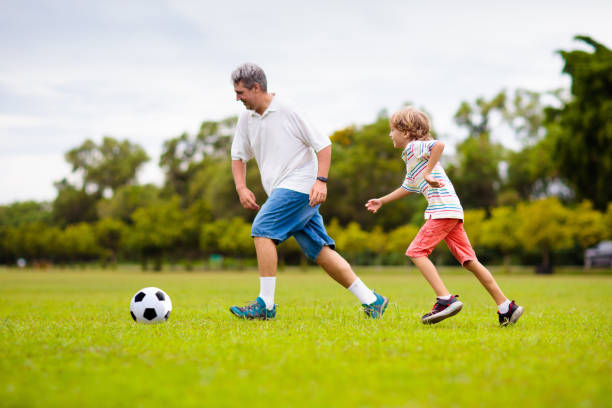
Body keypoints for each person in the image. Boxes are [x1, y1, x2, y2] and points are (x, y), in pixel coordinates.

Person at [228, 63, 388, 320]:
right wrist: (241, 187)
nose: (237, 98)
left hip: (301, 185)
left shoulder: (289, 109)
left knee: (262, 229)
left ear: (256, 87)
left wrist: (320, 181)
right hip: (282, 188)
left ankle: (265, 305)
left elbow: (323, 145)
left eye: (240, 92)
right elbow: (238, 156)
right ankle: (372, 300)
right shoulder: (246, 118)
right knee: (320, 252)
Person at [365, 106, 523, 326]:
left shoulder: (415, 147)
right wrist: (382, 200)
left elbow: (439, 145)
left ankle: (445, 299)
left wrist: (429, 172)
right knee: (469, 261)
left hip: (441, 210)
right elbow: (408, 186)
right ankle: (506, 306)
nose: (390, 134)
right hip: (452, 211)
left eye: (392, 129)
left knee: (416, 251)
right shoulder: (411, 159)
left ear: (407, 131)